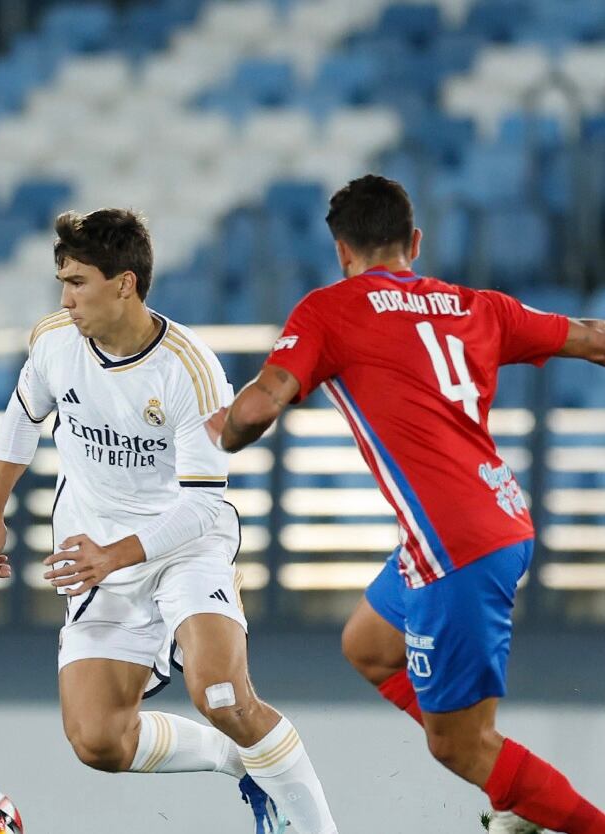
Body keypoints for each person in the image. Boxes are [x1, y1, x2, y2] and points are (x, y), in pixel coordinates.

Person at [209, 174, 605, 834]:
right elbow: (592, 336)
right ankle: (506, 776)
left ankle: (550, 805)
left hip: (454, 548)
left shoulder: (330, 310)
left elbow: (258, 405)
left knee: (454, 746)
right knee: (368, 644)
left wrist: (220, 433)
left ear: (342, 252)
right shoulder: (478, 306)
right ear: (414, 242)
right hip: (497, 518)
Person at [0, 208, 339, 834]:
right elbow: (23, 415)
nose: (66, 298)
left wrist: (114, 553)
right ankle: (242, 763)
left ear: (125, 284)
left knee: (220, 694)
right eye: (62, 281)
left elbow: (202, 505)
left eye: (78, 282)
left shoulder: (189, 371)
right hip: (100, 561)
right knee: (98, 741)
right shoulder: (55, 341)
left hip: (183, 547)